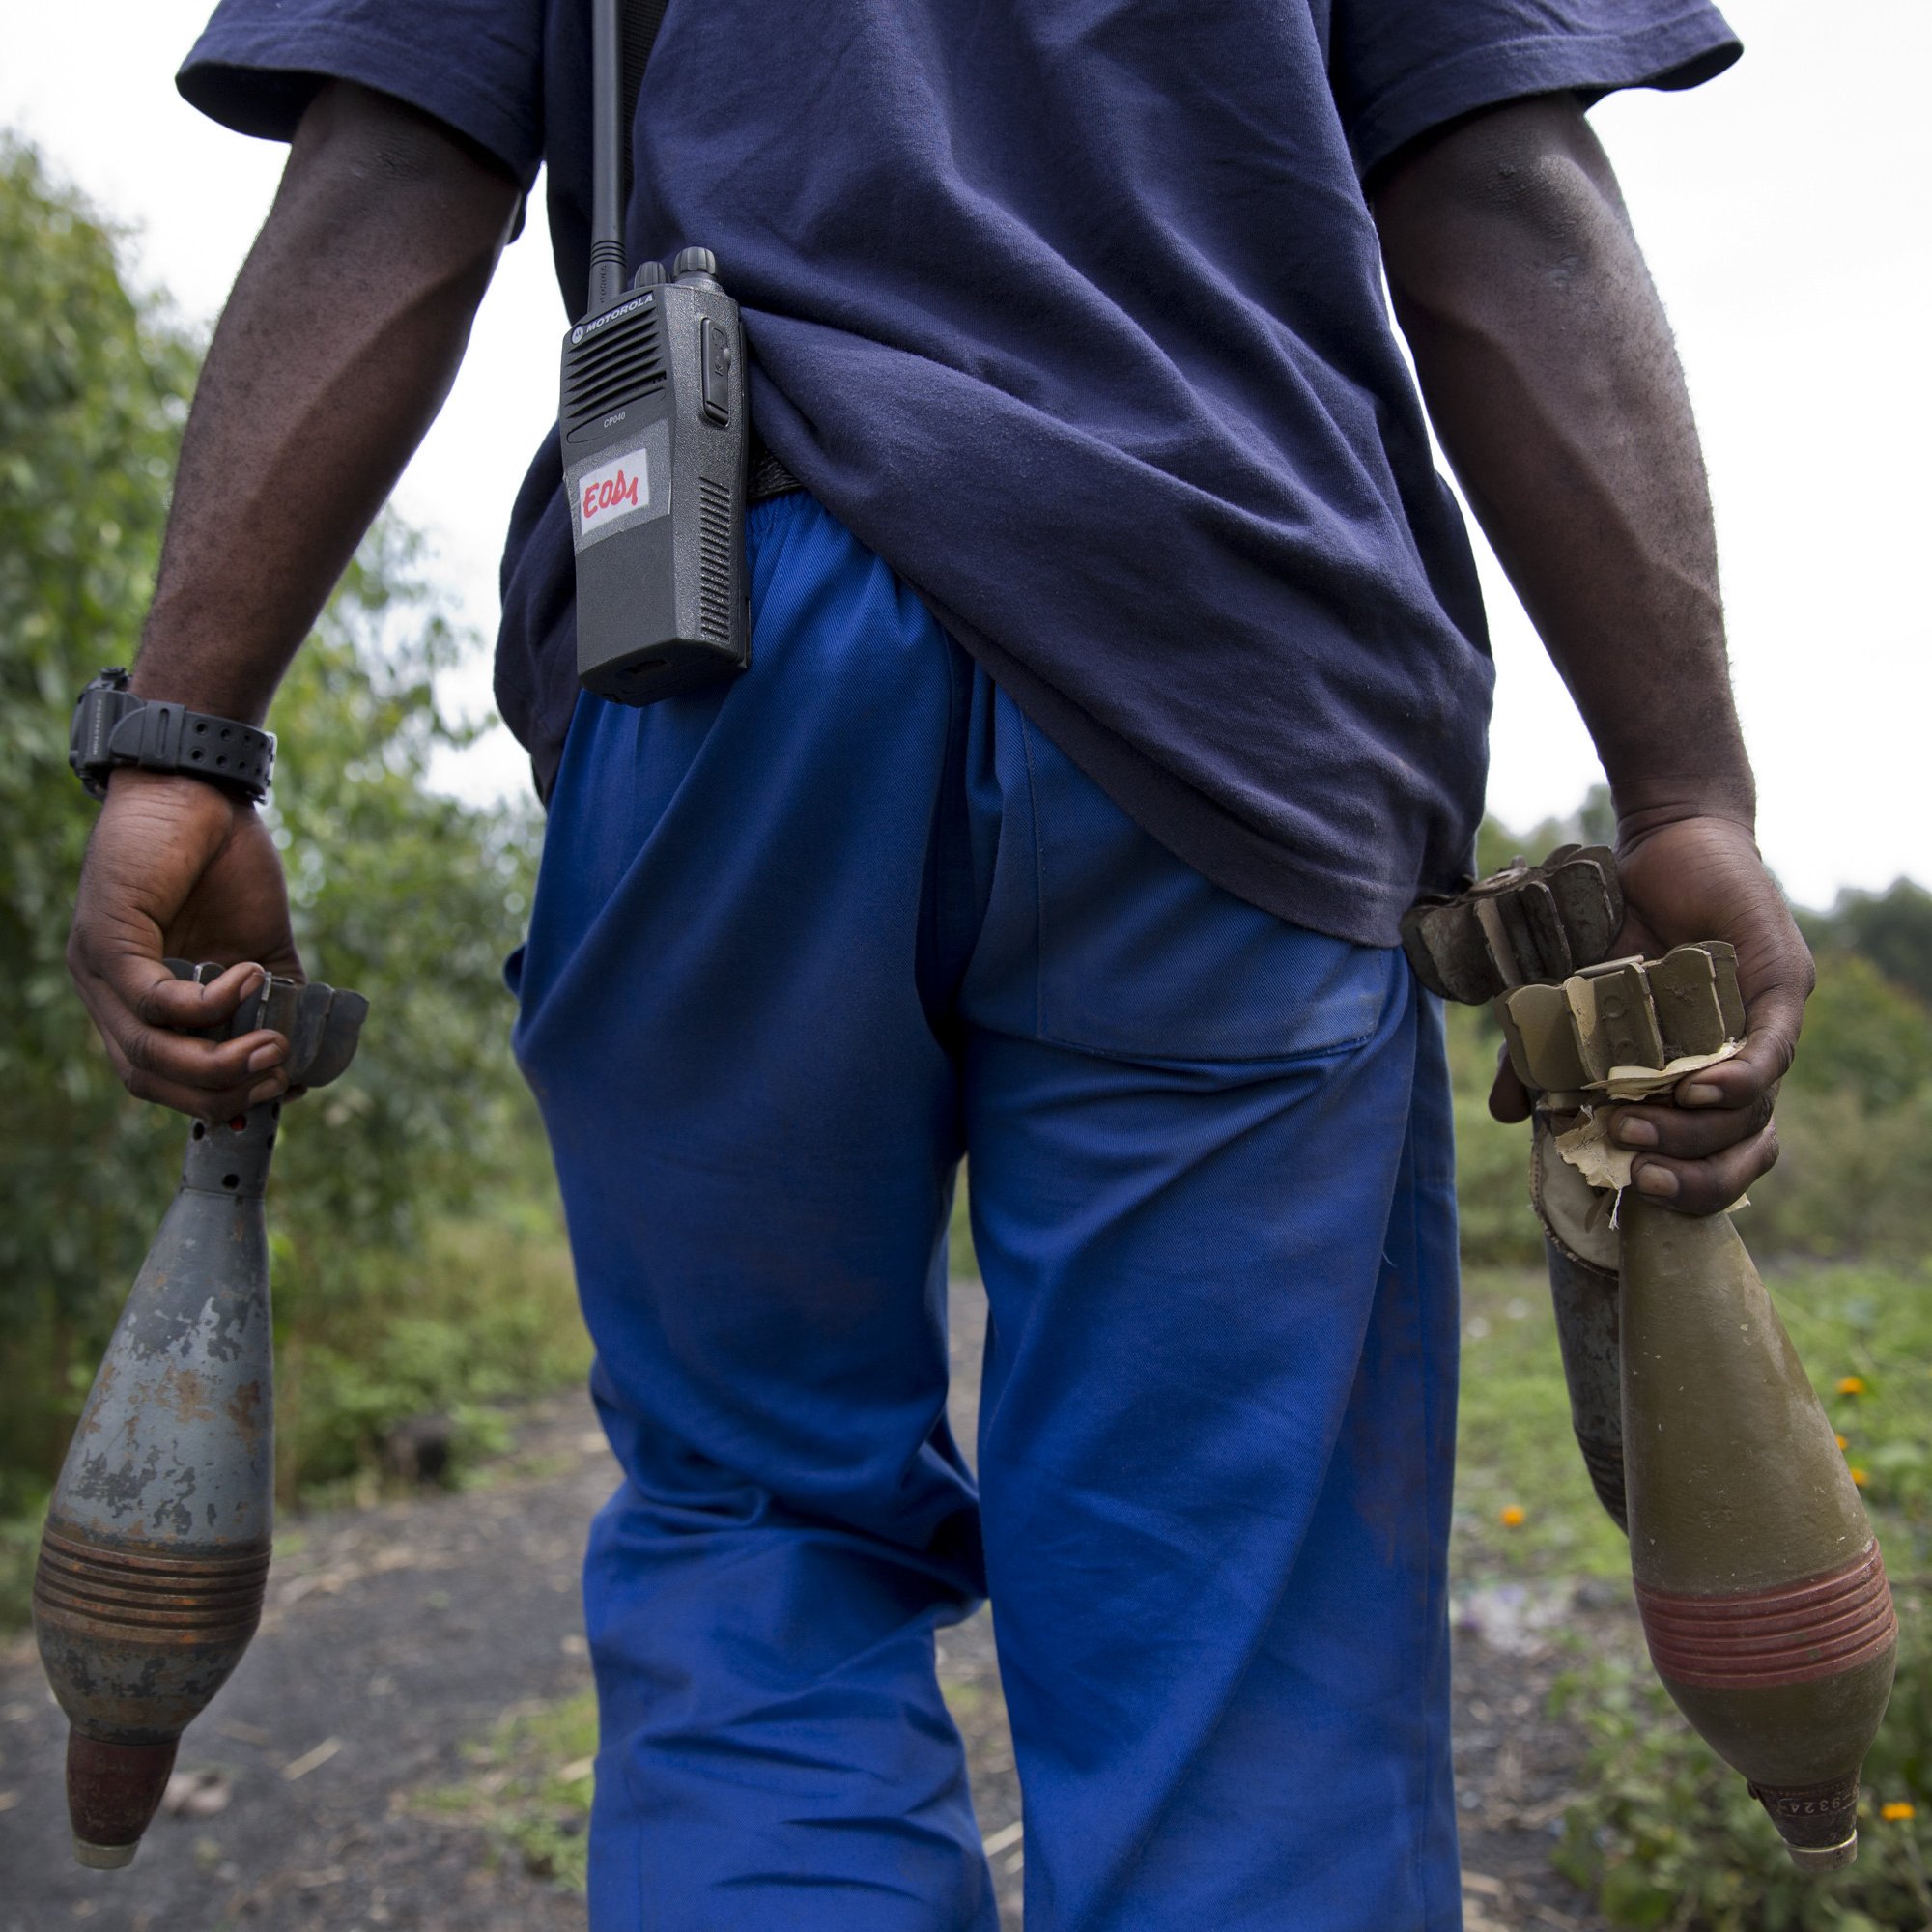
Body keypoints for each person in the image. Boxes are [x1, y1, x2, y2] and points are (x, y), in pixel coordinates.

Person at [64, 1, 1814, 1925]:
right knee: (1232, 1624)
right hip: (1225, 663)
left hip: (719, 631)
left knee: (755, 1540)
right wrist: (1683, 788)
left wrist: (185, 739)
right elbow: (1501, 193)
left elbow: (393, 167)